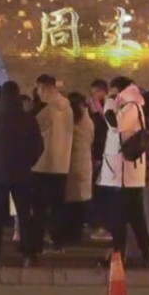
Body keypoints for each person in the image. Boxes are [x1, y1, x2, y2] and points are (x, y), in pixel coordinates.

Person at [0, 80, 43, 268]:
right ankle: (28, 253)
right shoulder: (29, 119)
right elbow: (38, 146)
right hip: (22, 173)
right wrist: (29, 163)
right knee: (24, 214)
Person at [96, 78, 149, 268]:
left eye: (113, 91)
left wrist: (109, 103)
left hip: (124, 175)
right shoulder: (128, 105)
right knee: (134, 217)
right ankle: (141, 253)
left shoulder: (130, 106)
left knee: (120, 217)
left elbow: (115, 125)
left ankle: (120, 255)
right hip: (123, 174)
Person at [29, 74, 73, 256]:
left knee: (39, 207)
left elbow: (31, 129)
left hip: (43, 164)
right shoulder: (68, 108)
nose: (38, 93)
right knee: (57, 206)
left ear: (44, 88)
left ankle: (38, 243)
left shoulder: (47, 110)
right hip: (62, 164)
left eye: (39, 89)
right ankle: (58, 241)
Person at [61, 93, 95, 249]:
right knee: (79, 203)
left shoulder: (68, 121)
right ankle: (76, 234)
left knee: (68, 203)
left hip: (69, 164)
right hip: (84, 164)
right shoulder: (88, 121)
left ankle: (67, 234)